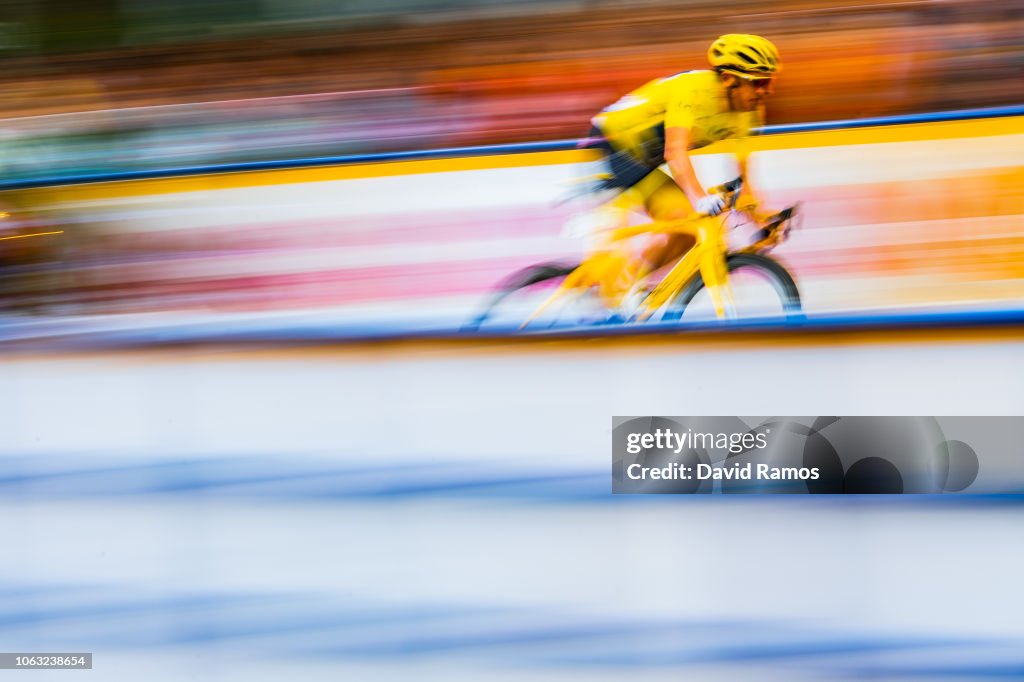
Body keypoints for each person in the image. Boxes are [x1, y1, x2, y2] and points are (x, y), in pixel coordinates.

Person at [584, 34, 781, 304]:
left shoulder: (749, 111)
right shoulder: (693, 90)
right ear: (728, 79)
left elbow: (745, 178)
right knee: (680, 215)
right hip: (612, 142)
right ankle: (610, 289)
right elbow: (675, 151)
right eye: (758, 82)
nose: (766, 91)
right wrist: (700, 198)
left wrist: (760, 219)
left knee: (688, 232)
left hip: (644, 159)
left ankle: (627, 285)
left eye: (769, 81)